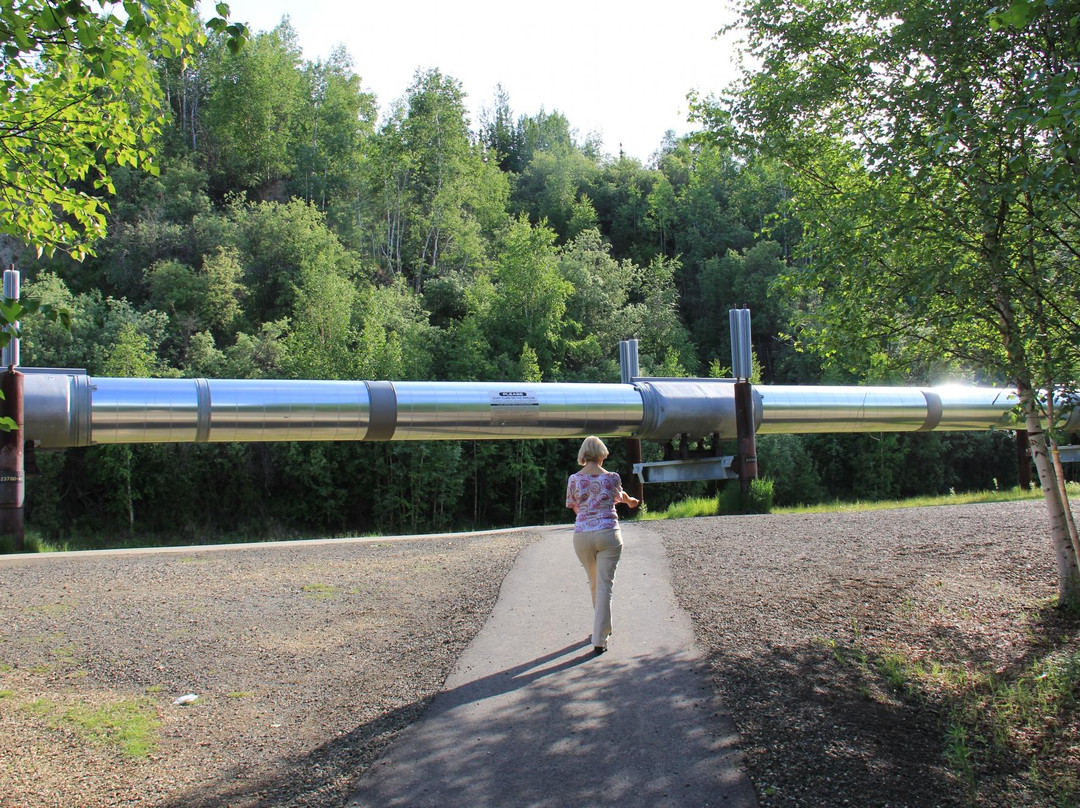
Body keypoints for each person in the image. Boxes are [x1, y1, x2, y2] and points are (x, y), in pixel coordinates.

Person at [565, 435, 639, 654]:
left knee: (595, 583)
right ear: (602, 454)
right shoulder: (612, 477)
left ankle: (602, 628)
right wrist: (630, 501)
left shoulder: (574, 479)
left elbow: (574, 506)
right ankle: (600, 638)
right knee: (605, 584)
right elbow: (620, 495)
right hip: (608, 534)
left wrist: (588, 518)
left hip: (582, 536)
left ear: (583, 454)